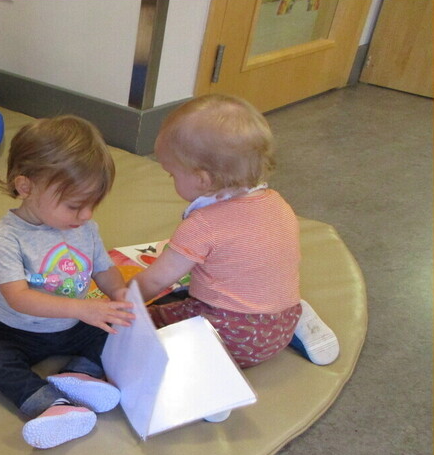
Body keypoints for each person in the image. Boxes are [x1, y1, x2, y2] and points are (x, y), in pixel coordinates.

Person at [127, 94, 339, 394]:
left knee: (147, 323)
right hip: (281, 323)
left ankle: (207, 382)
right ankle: (299, 321)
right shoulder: (277, 203)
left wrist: (123, 299)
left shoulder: (202, 225)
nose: (170, 179)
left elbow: (156, 279)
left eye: (171, 173)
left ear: (202, 179)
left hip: (227, 338)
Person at [0, 116, 134, 450]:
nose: (87, 214)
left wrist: (120, 296)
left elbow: (103, 269)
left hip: (76, 323)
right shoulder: (6, 238)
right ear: (26, 187)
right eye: (76, 205)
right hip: (17, 330)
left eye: (93, 204)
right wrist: (84, 307)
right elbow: (18, 297)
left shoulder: (84, 228)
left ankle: (82, 375)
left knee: (116, 330)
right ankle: (51, 405)